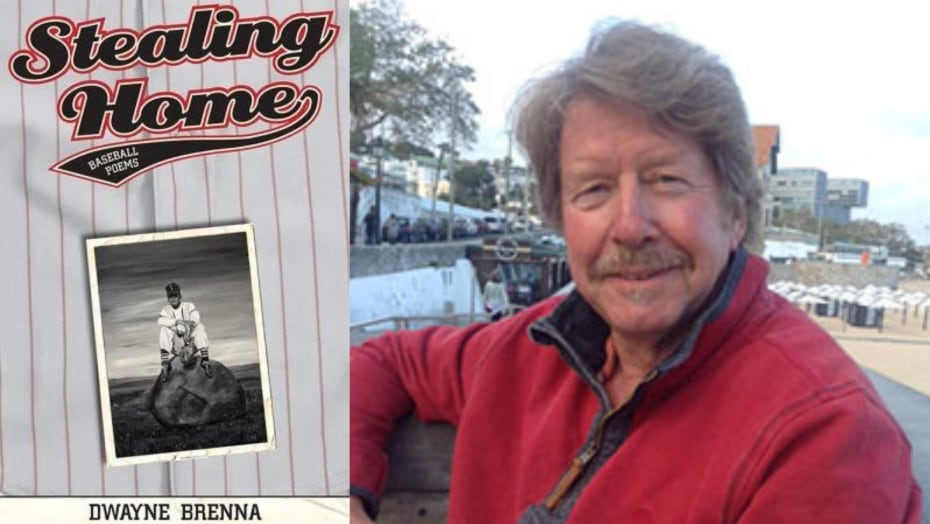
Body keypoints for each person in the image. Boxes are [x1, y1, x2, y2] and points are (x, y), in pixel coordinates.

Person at [350, 20, 921, 523]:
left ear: (736, 210)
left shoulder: (825, 437)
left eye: (666, 180)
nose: (630, 225)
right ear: (561, 219)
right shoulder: (528, 352)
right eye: (594, 189)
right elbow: (377, 365)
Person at [158, 282, 212, 381]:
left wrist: (189, 330)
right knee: (164, 329)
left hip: (191, 344)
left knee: (199, 326)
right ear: (168, 298)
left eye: (175, 295)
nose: (173, 298)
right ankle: (165, 365)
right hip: (177, 345)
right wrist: (176, 322)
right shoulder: (165, 310)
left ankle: (205, 360)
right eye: (170, 296)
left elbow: (196, 317)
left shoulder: (188, 305)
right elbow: (160, 321)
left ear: (180, 296)